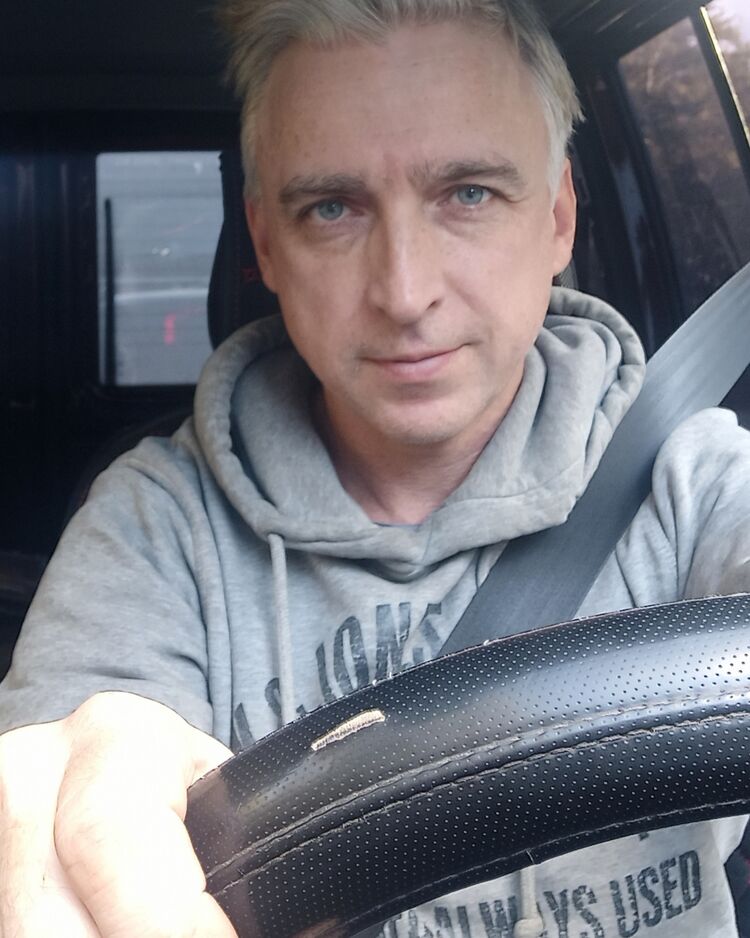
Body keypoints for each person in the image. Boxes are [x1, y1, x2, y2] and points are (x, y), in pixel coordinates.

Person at [1, 1, 749, 936]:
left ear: (557, 218)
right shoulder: (154, 528)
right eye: (332, 208)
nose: (404, 292)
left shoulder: (691, 476)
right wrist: (84, 802)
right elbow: (80, 758)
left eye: (468, 194)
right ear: (266, 245)